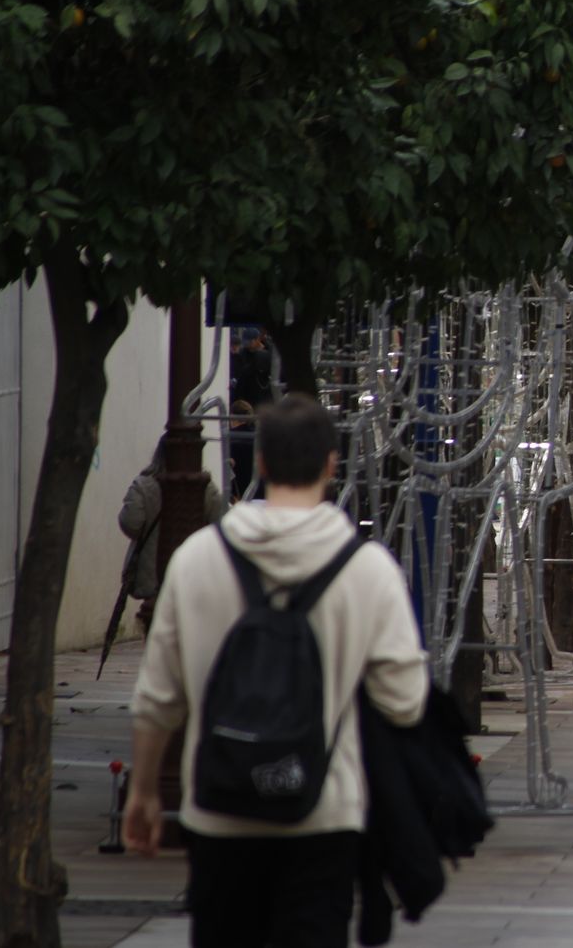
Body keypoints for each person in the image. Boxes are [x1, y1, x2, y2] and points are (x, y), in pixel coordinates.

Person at [123, 395, 429, 947]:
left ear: (260, 461)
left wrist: (143, 790)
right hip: (323, 814)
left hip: (219, 812)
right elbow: (405, 701)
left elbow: (158, 696)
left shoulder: (197, 558)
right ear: (331, 465)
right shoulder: (368, 570)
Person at [119, 438, 228, 633]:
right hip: (194, 572)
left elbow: (131, 524)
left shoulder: (143, 486)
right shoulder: (205, 488)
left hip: (151, 574)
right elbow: (222, 526)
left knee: (156, 622)